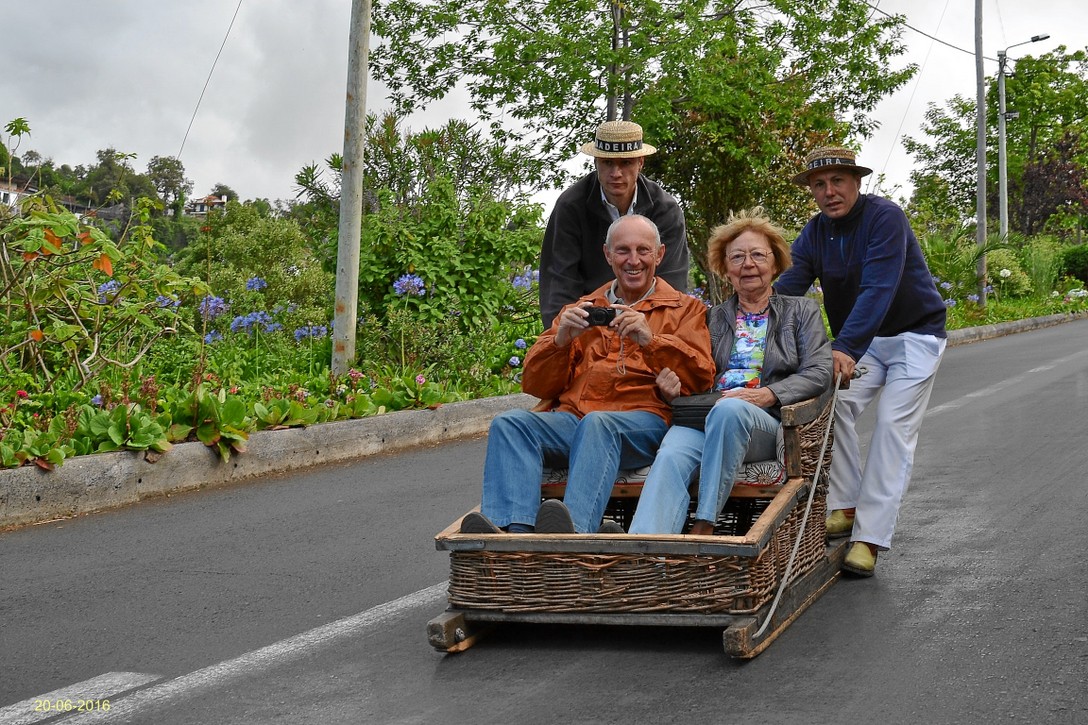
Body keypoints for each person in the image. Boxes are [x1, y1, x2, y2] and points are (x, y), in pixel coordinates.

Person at [460, 214, 715, 535]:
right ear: (608, 255)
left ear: (659, 254)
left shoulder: (684, 308)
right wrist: (560, 340)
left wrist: (650, 339)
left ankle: (572, 532)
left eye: (643, 250)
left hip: (642, 422)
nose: (633, 260)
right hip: (576, 420)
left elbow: (702, 375)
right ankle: (514, 535)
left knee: (599, 424)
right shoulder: (582, 309)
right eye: (622, 251)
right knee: (510, 423)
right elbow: (536, 384)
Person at [774, 145, 948, 577]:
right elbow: (788, 286)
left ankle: (869, 538)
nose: (829, 191)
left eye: (838, 181)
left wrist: (845, 348)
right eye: (820, 184)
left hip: (914, 335)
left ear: (856, 182)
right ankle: (845, 505)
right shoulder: (815, 233)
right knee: (833, 408)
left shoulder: (884, 217)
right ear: (812, 191)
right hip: (867, 341)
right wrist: (748, 318)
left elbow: (878, 288)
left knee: (892, 425)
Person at [628, 208, 833, 535]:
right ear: (725, 270)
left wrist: (767, 394)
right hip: (704, 417)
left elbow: (820, 371)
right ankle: (648, 557)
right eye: (736, 257)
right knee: (670, 455)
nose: (748, 264)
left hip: (762, 422)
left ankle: (705, 523)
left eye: (757, 255)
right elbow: (694, 371)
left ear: (775, 263)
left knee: (731, 410)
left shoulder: (801, 311)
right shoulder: (711, 318)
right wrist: (673, 388)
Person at [538, 120, 690, 328]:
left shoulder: (665, 209)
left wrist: (653, 336)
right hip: (588, 324)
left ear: (640, 163)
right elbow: (559, 283)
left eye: (625, 163)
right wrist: (561, 338)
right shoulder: (571, 206)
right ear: (596, 163)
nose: (616, 173)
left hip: (650, 322)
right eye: (608, 163)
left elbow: (673, 287)